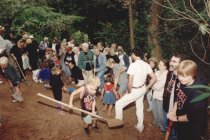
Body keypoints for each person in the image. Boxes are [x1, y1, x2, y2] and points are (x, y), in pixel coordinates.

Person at [115, 47, 156, 133]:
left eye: (131, 54)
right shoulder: (146, 64)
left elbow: (130, 82)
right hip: (142, 89)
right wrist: (147, 87)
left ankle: (118, 123)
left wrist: (129, 91)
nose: (131, 56)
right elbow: (154, 78)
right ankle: (140, 126)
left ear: (134, 54)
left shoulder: (133, 65)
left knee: (118, 104)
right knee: (139, 107)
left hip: (135, 90)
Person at [167, 60, 208, 140]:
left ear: (193, 75)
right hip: (181, 124)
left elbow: (192, 116)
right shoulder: (183, 82)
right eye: (179, 75)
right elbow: (178, 98)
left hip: (191, 129)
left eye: (184, 76)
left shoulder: (197, 93)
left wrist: (176, 118)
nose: (180, 78)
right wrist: (173, 111)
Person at [162, 53, 187, 139]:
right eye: (171, 61)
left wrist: (174, 111)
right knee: (165, 125)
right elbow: (166, 88)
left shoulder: (184, 78)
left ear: (181, 64)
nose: (171, 63)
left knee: (174, 132)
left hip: (176, 111)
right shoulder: (169, 73)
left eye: (174, 62)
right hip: (166, 107)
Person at [150, 59, 169, 134]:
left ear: (165, 66)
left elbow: (158, 86)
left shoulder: (167, 74)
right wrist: (153, 83)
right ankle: (156, 122)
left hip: (161, 96)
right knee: (154, 110)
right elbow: (151, 80)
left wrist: (152, 84)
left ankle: (163, 128)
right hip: (154, 94)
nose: (159, 66)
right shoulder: (157, 72)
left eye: (161, 65)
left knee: (161, 113)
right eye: (159, 64)